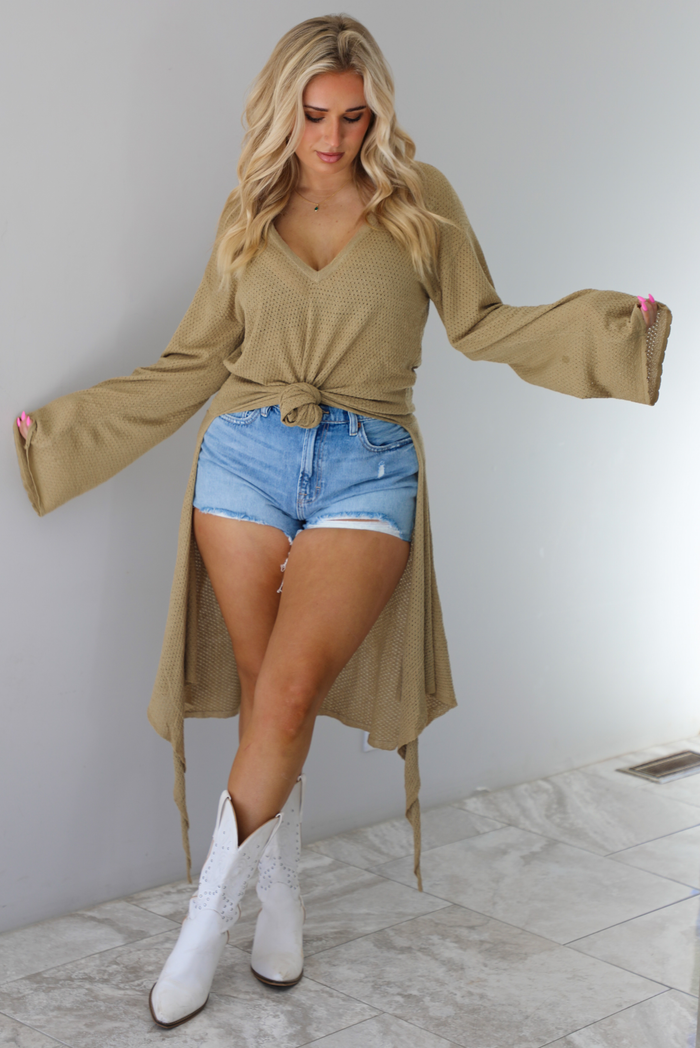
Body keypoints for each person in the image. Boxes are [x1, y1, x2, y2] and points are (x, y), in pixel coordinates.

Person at [13, 13, 668, 1031]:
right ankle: (282, 895)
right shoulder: (248, 208)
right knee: (267, 702)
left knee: (287, 688)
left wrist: (610, 330)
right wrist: (61, 433)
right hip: (244, 458)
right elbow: (193, 362)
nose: (333, 136)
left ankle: (203, 925)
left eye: (352, 115)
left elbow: (481, 322)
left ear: (377, 112)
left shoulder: (420, 202)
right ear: (285, 110)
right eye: (314, 114)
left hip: (367, 467)